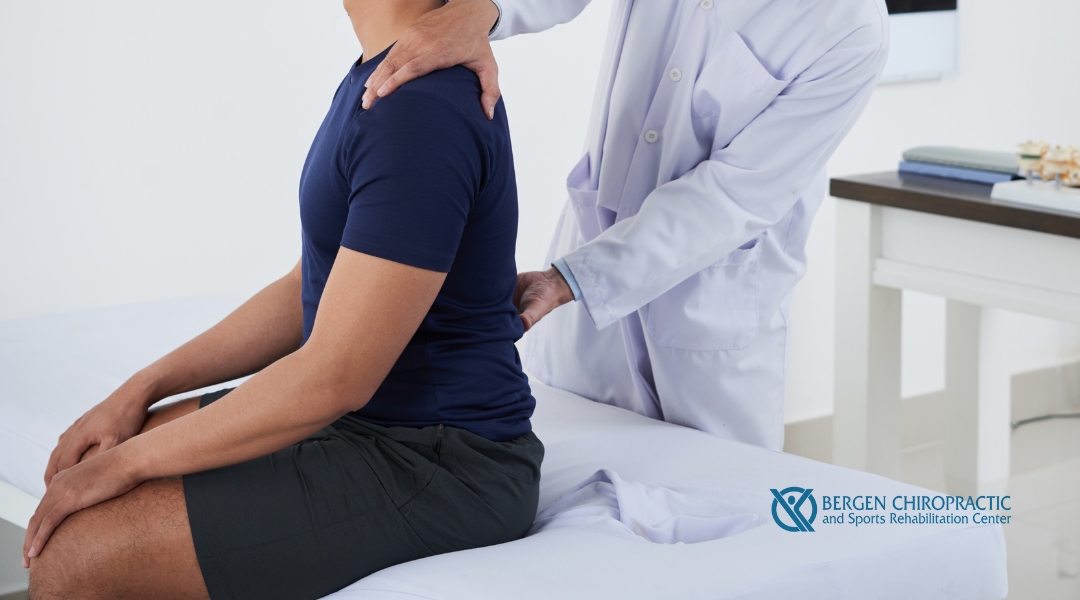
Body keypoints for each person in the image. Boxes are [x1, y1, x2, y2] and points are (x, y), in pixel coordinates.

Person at [23, 0, 542, 598]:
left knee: (77, 554)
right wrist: (142, 388)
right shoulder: (379, 76)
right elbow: (309, 287)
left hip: (443, 460)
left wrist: (127, 464)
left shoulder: (420, 108)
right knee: (99, 467)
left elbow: (334, 378)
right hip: (367, 422)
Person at [364, 0, 889, 450]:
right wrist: (485, 10)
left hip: (708, 316)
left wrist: (576, 278)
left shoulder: (850, 26)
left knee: (719, 523)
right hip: (586, 313)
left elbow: (733, 195)